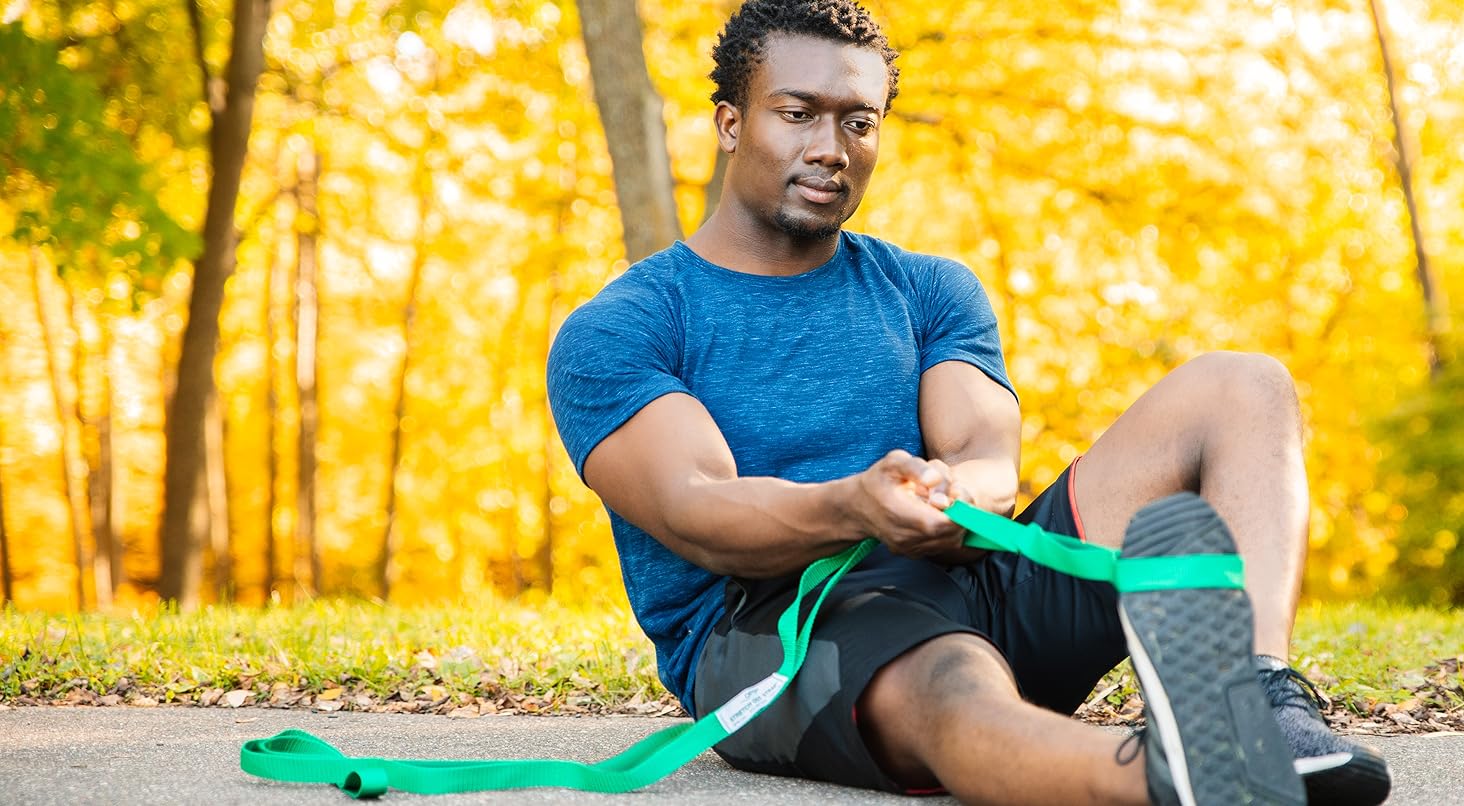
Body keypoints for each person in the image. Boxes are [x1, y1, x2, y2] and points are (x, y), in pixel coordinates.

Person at [547, 1, 1391, 803]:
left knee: (1244, 386)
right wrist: (856, 505)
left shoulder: (928, 289)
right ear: (731, 123)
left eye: (859, 120)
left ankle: (1264, 699)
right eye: (798, 113)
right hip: (773, 630)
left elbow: (988, 457)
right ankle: (1182, 774)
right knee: (953, 680)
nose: (833, 146)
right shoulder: (624, 328)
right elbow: (698, 508)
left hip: (964, 574)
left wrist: (957, 498)